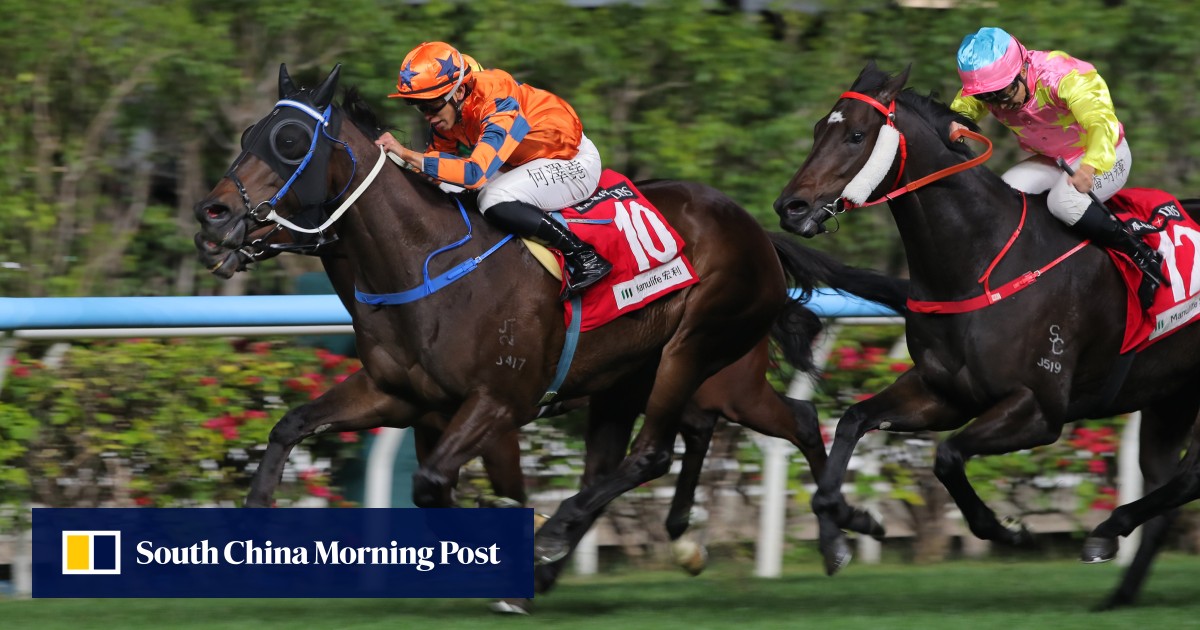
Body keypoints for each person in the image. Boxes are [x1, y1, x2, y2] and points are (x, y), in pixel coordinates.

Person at [949, 26, 1167, 306]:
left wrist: (1089, 167)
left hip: (1104, 154)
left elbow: (1102, 123)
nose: (998, 105)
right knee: (1003, 195)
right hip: (1053, 159)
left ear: (1021, 70)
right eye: (986, 98)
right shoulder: (992, 87)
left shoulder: (1064, 77)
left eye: (1001, 94)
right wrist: (953, 121)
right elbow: (962, 109)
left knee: (1063, 202)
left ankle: (1140, 255)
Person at [376, 41, 612, 298]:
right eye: (420, 107)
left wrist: (406, 153)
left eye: (431, 106)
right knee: (447, 186)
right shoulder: (449, 112)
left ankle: (583, 255)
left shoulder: (498, 101)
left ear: (458, 92)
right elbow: (436, 168)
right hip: (523, 161)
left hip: (571, 161)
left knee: (492, 197)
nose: (427, 116)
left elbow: (474, 173)